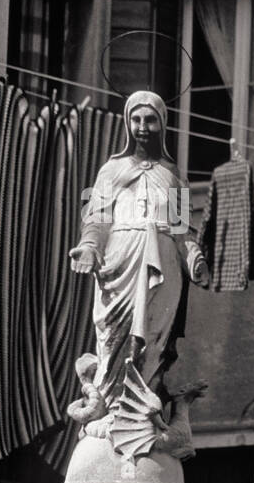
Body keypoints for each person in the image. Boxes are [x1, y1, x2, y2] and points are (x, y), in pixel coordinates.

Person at [68, 91, 210, 426]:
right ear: (127, 123)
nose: (142, 127)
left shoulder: (174, 175)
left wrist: (195, 258)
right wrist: (89, 247)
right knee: (113, 336)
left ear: (162, 123)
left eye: (150, 119)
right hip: (120, 260)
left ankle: (142, 410)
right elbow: (97, 219)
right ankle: (107, 406)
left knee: (154, 340)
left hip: (163, 265)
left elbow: (183, 231)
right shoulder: (111, 170)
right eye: (136, 119)